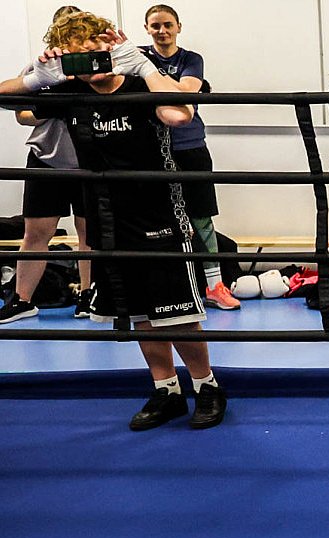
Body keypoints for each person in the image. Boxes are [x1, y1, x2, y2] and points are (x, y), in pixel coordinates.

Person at [0, 11, 227, 430]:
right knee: (140, 311)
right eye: (77, 58)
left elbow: (180, 115)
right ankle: (166, 390)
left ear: (112, 48)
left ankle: (206, 386)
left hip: (159, 213)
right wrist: (38, 74)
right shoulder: (71, 94)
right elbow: (9, 100)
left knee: (176, 314)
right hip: (109, 218)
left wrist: (141, 64)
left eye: (95, 54)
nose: (89, 66)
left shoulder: (141, 83)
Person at [139, 4, 238, 310]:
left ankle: (214, 286)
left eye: (167, 24)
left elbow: (186, 92)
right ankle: (169, 288)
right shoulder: (138, 56)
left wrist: (150, 77)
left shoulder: (191, 59)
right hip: (152, 150)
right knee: (157, 222)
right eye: (155, 26)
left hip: (190, 146)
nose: (162, 31)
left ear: (178, 26)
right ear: (147, 29)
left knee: (201, 218)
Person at [0, 4, 93, 325]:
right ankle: (22, 300)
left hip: (88, 160)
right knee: (36, 232)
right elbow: (22, 115)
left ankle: (87, 294)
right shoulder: (40, 67)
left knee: (88, 232)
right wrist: (48, 108)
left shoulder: (96, 66)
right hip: (46, 157)